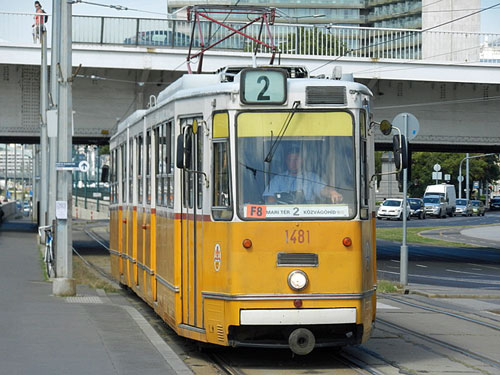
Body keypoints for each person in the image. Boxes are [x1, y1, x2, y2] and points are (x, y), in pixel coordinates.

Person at [263, 148, 342, 204]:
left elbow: (323, 189)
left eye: (296, 159)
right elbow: (270, 198)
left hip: (308, 218)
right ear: (286, 161)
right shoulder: (278, 179)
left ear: (302, 161)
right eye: (290, 160)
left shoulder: (311, 177)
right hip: (283, 219)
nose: (293, 163)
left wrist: (332, 193)